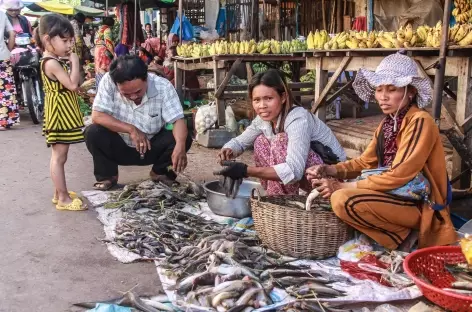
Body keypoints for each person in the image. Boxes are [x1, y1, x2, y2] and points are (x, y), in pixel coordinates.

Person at [306, 52, 457, 250]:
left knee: (342, 199)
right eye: (379, 90)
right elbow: (364, 163)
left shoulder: (421, 121)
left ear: (410, 92)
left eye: (391, 89)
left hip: (420, 204)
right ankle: (401, 236)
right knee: (340, 197)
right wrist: (330, 169)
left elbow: (399, 176)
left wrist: (342, 186)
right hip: (393, 197)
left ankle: (407, 235)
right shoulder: (387, 125)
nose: (382, 97)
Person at [216, 69, 346, 196]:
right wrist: (229, 149)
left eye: (268, 98)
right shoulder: (263, 120)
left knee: (280, 140)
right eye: (257, 100)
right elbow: (240, 141)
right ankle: (276, 197)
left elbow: (294, 171)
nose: (262, 105)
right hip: (306, 174)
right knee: (260, 142)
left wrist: (245, 171)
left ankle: (279, 200)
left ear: (283, 97)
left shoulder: (298, 118)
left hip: (331, 180)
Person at [85, 55, 192, 190]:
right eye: (127, 94)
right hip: (119, 146)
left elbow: (178, 120)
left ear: (146, 79)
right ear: (116, 84)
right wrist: (131, 129)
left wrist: (181, 146)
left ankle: (160, 172)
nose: (134, 97)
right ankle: (108, 176)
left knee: (183, 138)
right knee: (93, 132)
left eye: (138, 91)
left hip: (151, 148)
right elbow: (98, 116)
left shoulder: (163, 86)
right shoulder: (108, 81)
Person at [34, 14, 86, 211]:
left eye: (69, 40)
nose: (68, 45)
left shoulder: (53, 59)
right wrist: (74, 61)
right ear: (48, 39)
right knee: (59, 157)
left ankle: (59, 192)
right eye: (64, 41)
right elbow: (72, 84)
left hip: (63, 110)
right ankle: (63, 198)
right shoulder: (51, 62)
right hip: (59, 113)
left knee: (60, 156)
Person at [0, 9, 18, 130]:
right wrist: (9, 49)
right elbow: (12, 34)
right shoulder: (1, 14)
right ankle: (5, 121)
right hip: (3, 56)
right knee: (5, 89)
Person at [94, 16, 115, 87]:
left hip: (97, 50)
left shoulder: (99, 29)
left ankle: (99, 87)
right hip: (103, 51)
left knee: (98, 68)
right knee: (105, 68)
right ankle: (105, 86)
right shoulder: (107, 29)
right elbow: (108, 42)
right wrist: (113, 54)